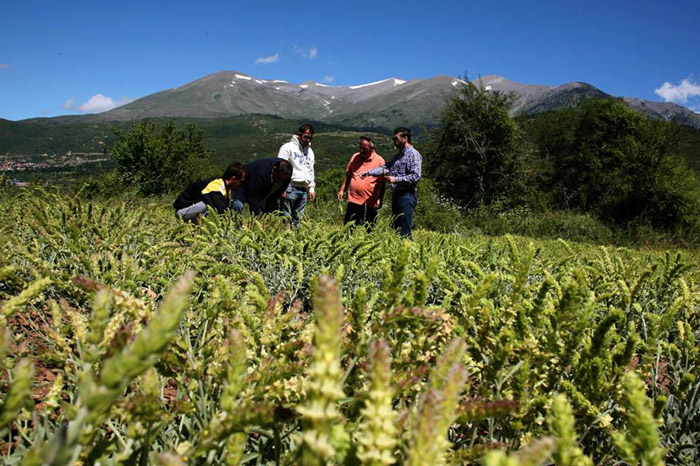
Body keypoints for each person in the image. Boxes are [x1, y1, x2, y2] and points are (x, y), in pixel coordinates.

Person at [359, 127, 421, 238]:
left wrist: (395, 179)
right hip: (397, 195)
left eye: (396, 138)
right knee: (397, 228)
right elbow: (385, 168)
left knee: (404, 229)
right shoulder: (397, 156)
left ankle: (408, 251)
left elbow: (415, 176)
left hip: (407, 195)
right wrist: (368, 173)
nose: (394, 141)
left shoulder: (413, 155)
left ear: (405, 138)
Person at [337, 136, 386, 230]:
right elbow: (348, 175)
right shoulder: (355, 157)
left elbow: (382, 183)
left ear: (372, 149)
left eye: (365, 149)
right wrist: (342, 190)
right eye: (360, 148)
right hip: (353, 199)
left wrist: (379, 199)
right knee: (348, 227)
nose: (362, 150)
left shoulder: (380, 161)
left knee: (369, 228)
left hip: (370, 201)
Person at [173, 162, 245, 222]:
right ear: (234, 179)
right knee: (210, 207)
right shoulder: (216, 186)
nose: (242, 185)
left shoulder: (223, 187)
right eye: (241, 181)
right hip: (182, 211)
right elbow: (221, 210)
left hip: (189, 209)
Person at [277, 123, 316, 227]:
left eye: (310, 138)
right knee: (286, 218)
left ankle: (295, 240)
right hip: (290, 187)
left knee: (298, 219)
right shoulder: (287, 148)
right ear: (299, 134)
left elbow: (311, 170)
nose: (308, 140)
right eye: (306, 136)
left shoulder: (310, 152)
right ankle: (285, 239)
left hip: (303, 188)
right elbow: (280, 167)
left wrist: (311, 188)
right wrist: (282, 187)